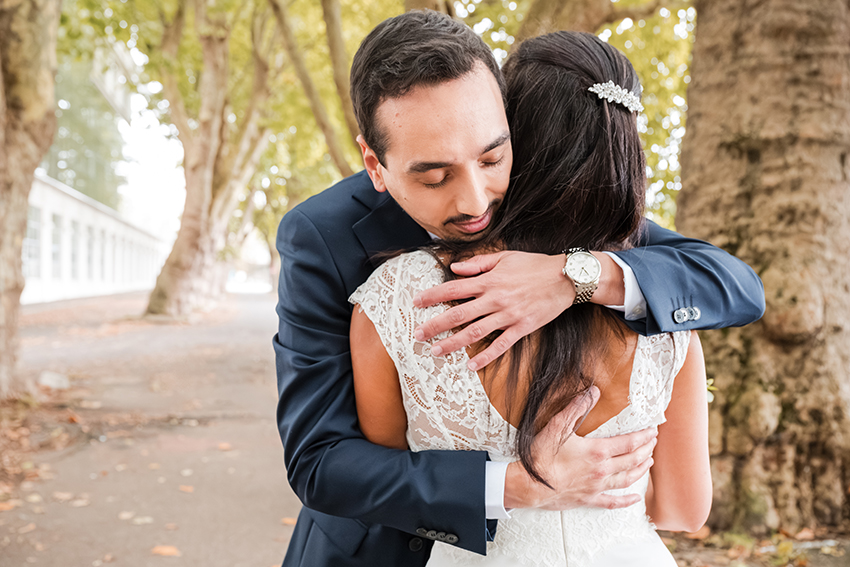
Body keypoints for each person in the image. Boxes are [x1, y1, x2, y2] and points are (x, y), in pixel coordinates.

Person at [274, 11, 763, 567]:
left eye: (492, 158)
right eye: (433, 178)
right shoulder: (322, 237)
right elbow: (320, 461)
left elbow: (735, 284)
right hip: (378, 548)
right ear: (376, 164)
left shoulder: (581, 222)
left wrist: (573, 276)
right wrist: (515, 485)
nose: (476, 201)